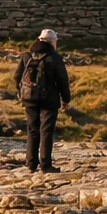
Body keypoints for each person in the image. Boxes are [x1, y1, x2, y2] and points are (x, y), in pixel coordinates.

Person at [15, 28, 71, 173]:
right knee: (46, 131)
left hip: (29, 98)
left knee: (32, 130)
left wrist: (20, 92)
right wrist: (66, 99)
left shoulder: (26, 55)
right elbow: (62, 81)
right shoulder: (55, 58)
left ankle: (30, 164)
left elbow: (17, 76)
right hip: (49, 100)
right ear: (52, 42)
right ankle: (46, 165)